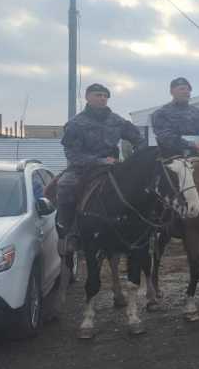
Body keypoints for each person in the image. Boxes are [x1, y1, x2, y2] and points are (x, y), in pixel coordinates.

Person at [57, 83, 143, 252]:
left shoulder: (117, 121)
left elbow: (138, 139)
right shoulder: (75, 124)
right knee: (64, 186)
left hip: (114, 168)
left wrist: (135, 159)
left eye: (105, 96)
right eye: (98, 95)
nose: (102, 98)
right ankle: (69, 231)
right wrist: (99, 161)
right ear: (88, 97)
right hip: (83, 169)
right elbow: (72, 154)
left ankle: (142, 229)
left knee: (140, 186)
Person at [150, 77, 199, 157]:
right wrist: (193, 145)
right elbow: (166, 138)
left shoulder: (198, 113)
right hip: (170, 158)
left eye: (188, 89)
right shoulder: (161, 113)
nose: (186, 92)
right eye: (182, 89)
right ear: (172, 92)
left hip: (198, 156)